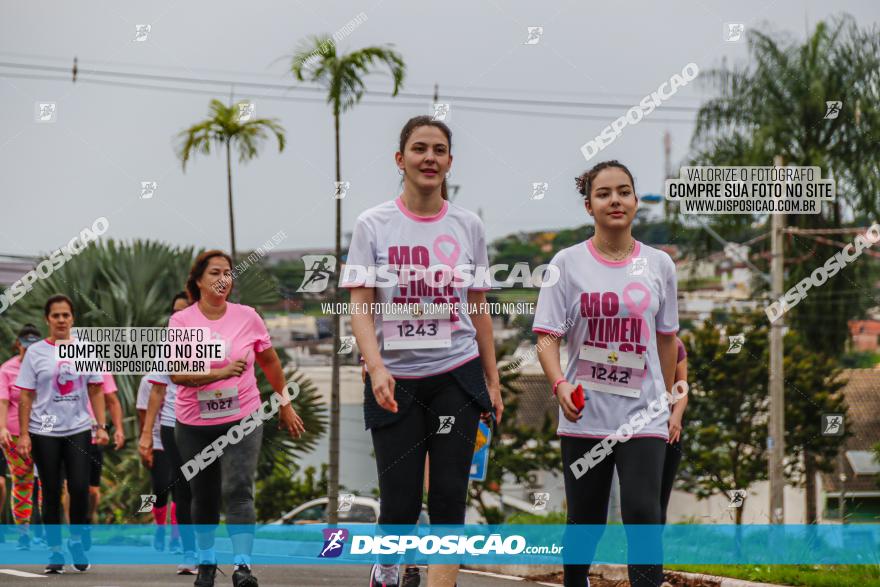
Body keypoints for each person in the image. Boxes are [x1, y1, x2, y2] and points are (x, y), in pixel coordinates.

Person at [344, 115, 503, 587]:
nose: (429, 157)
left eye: (439, 150)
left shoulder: (467, 225)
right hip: (394, 380)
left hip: (456, 371)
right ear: (400, 159)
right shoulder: (373, 224)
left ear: (450, 162)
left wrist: (491, 381)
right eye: (419, 148)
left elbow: (479, 310)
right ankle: (388, 569)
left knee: (451, 495)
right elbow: (359, 307)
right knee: (400, 502)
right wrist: (375, 369)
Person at [533, 160, 679, 587]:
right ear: (588, 205)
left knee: (642, 514)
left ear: (635, 201)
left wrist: (667, 400)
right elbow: (545, 336)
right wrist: (559, 385)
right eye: (604, 193)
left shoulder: (659, 265)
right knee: (587, 520)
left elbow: (667, 338)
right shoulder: (567, 262)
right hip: (585, 415)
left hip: (643, 416)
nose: (615, 200)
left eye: (624, 191)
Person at [170, 251, 306, 587]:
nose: (223, 278)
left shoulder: (248, 317)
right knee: (203, 495)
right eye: (215, 272)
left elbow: (270, 362)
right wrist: (219, 372)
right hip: (194, 422)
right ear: (199, 280)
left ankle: (243, 567)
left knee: (239, 489)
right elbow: (177, 374)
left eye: (228, 273)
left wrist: (284, 402)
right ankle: (206, 563)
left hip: (242, 416)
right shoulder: (183, 322)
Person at [15, 294, 110, 574]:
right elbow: (26, 395)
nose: (61, 320)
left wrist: (102, 426)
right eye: (55, 315)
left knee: (80, 487)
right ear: (47, 319)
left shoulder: (84, 348)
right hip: (43, 428)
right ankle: (55, 550)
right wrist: (23, 434)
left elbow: (95, 388)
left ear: (73, 318)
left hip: (79, 426)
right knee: (52, 490)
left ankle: (77, 541)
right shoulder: (35, 353)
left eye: (65, 315)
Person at [138, 291, 197, 574]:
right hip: (173, 424)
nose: (177, 317)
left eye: (183, 311)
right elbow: (156, 393)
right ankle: (188, 551)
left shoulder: (214, 341)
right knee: (179, 486)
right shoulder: (166, 347)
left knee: (204, 487)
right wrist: (147, 434)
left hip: (208, 425)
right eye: (174, 312)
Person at [0, 324, 42, 550]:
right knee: (22, 482)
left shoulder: (45, 366)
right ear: (18, 345)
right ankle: (23, 533)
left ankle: (48, 530)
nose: (29, 351)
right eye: (25, 346)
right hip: (15, 435)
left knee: (50, 482)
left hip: (44, 431)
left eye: (33, 346)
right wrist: (2, 428)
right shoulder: (7, 370)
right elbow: (3, 401)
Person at [659, 336, 688, 524]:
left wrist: (676, 416)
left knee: (659, 502)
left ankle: (653, 550)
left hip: (667, 431)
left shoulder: (675, 344)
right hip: (634, 429)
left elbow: (682, 387)